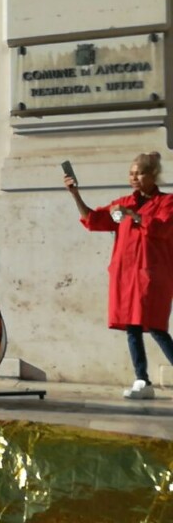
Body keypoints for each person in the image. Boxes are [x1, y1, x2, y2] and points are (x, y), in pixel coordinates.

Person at [64, 152, 173, 399]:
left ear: (152, 176)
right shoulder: (124, 201)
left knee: (156, 327)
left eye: (140, 173)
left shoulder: (167, 202)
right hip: (126, 275)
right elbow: (93, 220)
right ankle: (142, 380)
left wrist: (134, 216)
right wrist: (75, 194)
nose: (134, 178)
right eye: (132, 173)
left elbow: (164, 229)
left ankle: (143, 380)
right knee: (132, 327)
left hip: (152, 275)